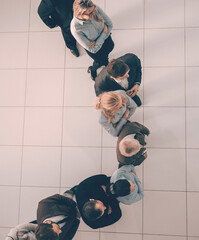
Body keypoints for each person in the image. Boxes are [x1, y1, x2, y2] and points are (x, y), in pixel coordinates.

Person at [71, 0, 114, 80]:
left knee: (109, 49)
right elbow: (93, 50)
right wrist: (104, 33)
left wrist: (98, 40)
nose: (93, 12)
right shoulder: (76, 28)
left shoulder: (94, 8)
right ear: (80, 14)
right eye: (90, 13)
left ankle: (106, 62)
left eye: (93, 10)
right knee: (99, 62)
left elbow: (110, 24)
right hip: (97, 52)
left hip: (106, 41)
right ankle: (93, 69)